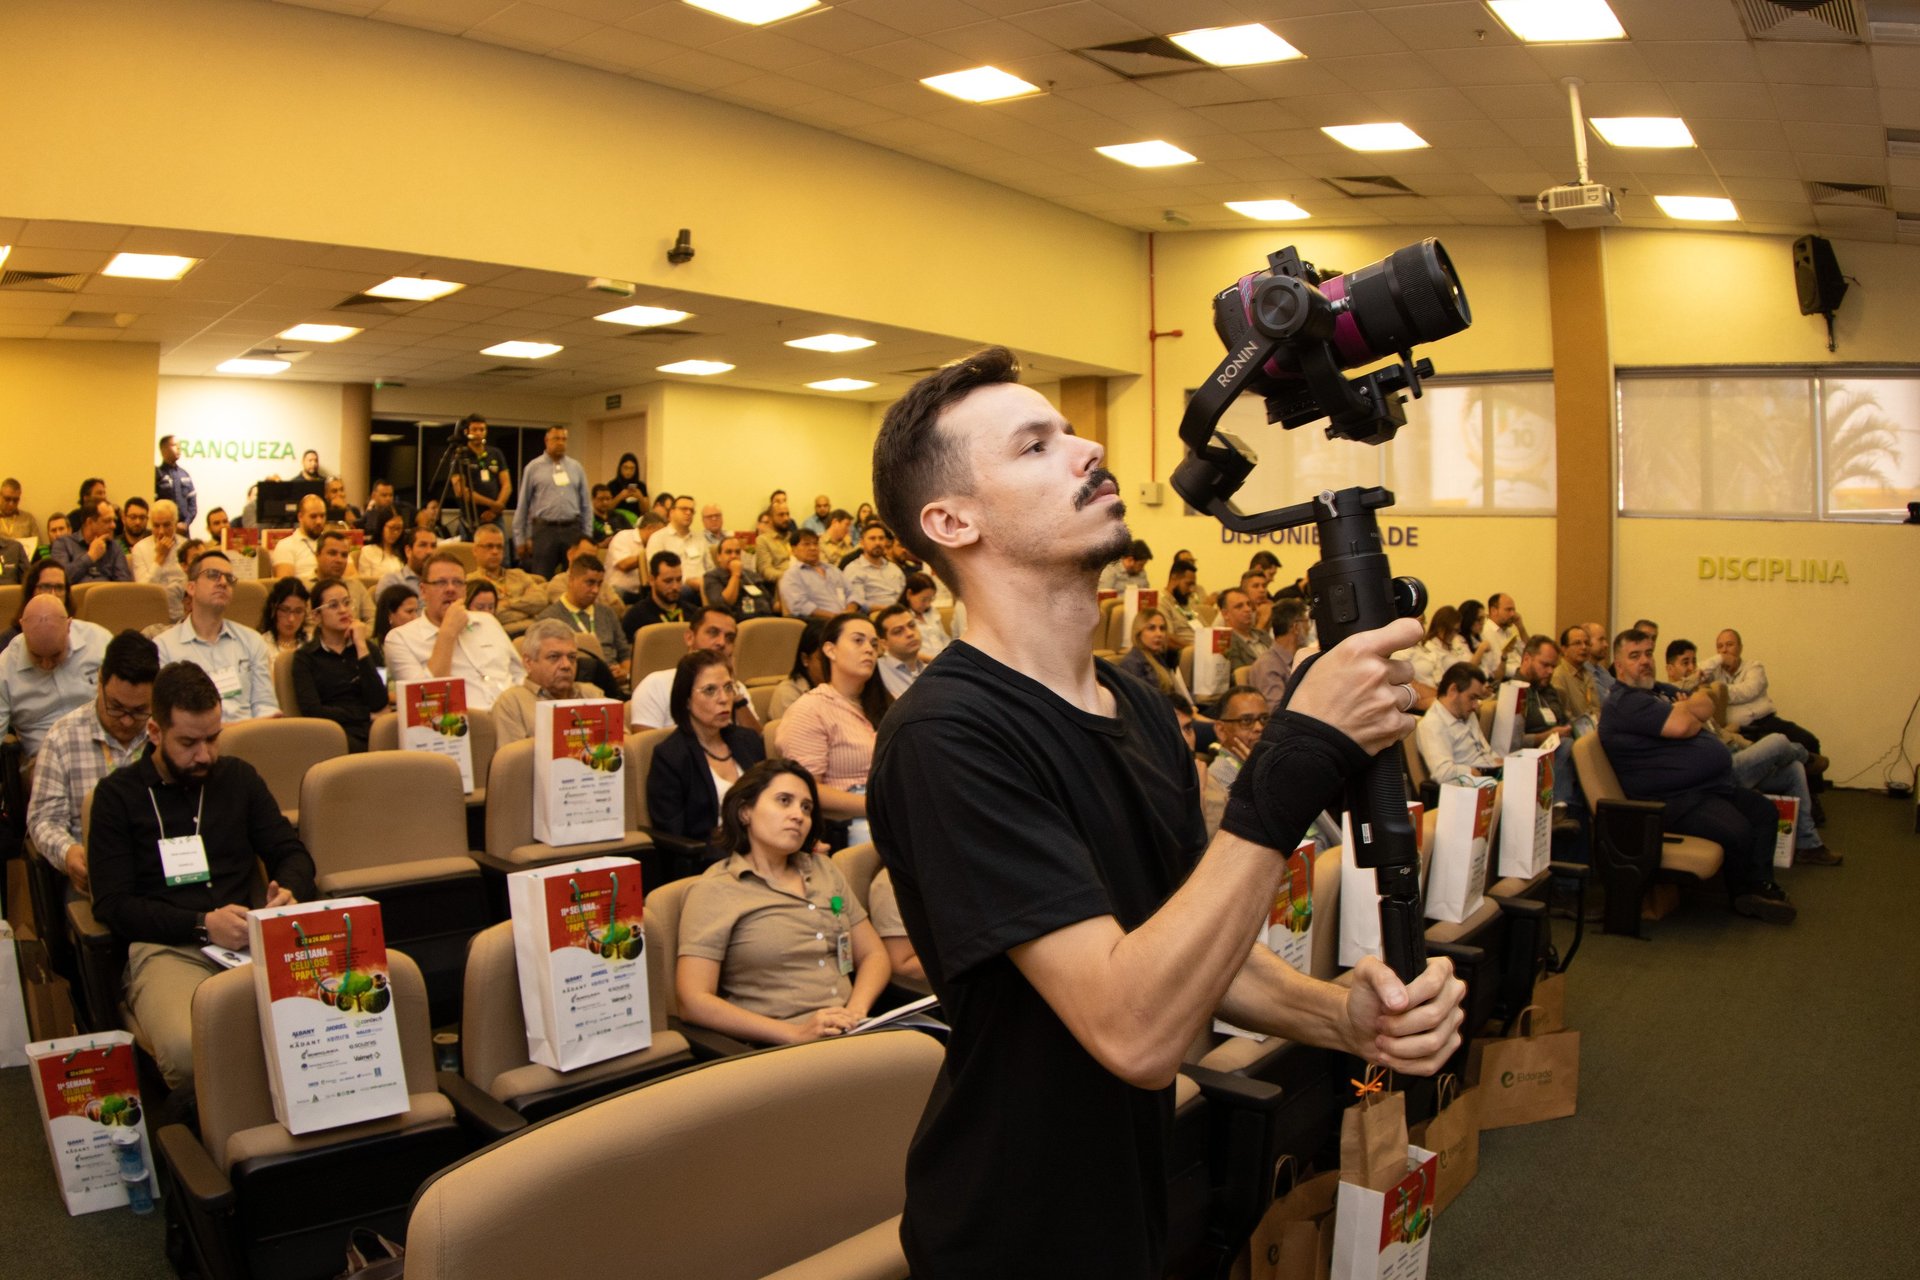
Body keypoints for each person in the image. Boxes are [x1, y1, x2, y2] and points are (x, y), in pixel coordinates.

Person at [865, 348, 1462, 1279]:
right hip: (1015, 1226)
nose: (1087, 447)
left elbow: (1187, 940)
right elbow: (1136, 1029)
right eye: (1035, 446)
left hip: (1135, 1187)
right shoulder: (947, 737)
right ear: (952, 521)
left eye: (1069, 430)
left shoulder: (1132, 698)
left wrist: (1341, 1017)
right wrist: (1289, 764)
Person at [87, 662, 315, 1089]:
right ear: (154, 733)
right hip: (168, 947)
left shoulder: (238, 779)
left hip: (250, 940)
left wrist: (289, 890)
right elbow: (113, 905)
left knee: (322, 1022)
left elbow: (292, 853)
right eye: (188, 742)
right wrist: (201, 924)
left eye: (213, 738)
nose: (205, 755)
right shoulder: (118, 798)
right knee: (192, 1050)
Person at [675, 759, 889, 1044]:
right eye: (784, 801)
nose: (798, 815)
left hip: (847, 1033)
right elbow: (692, 1000)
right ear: (745, 812)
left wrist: (855, 1012)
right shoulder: (716, 890)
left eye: (806, 808)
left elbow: (874, 955)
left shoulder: (824, 870)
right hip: (774, 1046)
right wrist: (795, 1034)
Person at [1599, 630, 1797, 923]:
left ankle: (1759, 884)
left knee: (1764, 811)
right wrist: (1684, 712)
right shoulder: (1625, 703)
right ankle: (1744, 894)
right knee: (1739, 830)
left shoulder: (1655, 690)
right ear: (1618, 665)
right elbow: (1682, 727)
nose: (1645, 661)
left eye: (1648, 654)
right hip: (1670, 800)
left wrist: (1685, 708)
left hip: (1707, 787)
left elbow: (1706, 703)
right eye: (1635, 656)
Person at [28, 630, 158, 893]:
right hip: (96, 875)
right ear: (100, 682)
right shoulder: (63, 737)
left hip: (159, 870)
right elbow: (43, 820)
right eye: (117, 706)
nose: (126, 720)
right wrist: (69, 853)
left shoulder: (166, 733)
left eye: (139, 710)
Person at [775, 612, 888, 849]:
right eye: (858, 640)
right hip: (851, 820)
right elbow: (805, 789)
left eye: (874, 643)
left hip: (890, 802)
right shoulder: (810, 709)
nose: (869, 649)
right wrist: (876, 805)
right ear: (830, 650)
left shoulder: (886, 705)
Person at [646, 649, 768, 848]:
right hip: (711, 861)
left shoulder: (748, 740)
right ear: (686, 700)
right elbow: (673, 834)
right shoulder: (670, 757)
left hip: (764, 849)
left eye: (729, 687)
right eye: (710, 690)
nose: (723, 698)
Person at [384, 551, 525, 709]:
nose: (450, 589)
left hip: (512, 720)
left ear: (465, 590)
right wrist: (447, 634)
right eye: (441, 583)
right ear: (423, 591)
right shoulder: (400, 639)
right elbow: (424, 702)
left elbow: (519, 674)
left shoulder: (488, 621)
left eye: (458, 582)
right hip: (461, 728)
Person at [156, 550, 281, 722]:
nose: (223, 582)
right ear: (191, 587)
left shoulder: (252, 641)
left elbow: (265, 706)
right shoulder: (164, 646)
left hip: (248, 743)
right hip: (193, 741)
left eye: (229, 579)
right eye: (213, 575)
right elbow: (167, 717)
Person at [1703, 628, 1825, 789]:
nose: (1725, 650)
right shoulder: (1713, 672)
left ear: (1740, 647)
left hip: (1766, 721)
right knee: (1769, 756)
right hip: (1738, 730)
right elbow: (1694, 674)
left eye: (1729, 645)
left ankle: (1813, 794)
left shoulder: (1754, 666)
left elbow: (1749, 691)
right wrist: (1718, 659)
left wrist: (1720, 692)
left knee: (1809, 740)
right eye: (1720, 647)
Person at [0, 595, 113, 764]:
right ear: (22, 627)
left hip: (103, 744)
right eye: (37, 656)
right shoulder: (5, 665)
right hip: (43, 756)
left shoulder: (100, 642)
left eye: (55, 655)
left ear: (68, 626)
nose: (47, 665)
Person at [292, 578, 387, 751]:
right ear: (316, 616)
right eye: (333, 605)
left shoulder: (368, 649)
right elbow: (313, 711)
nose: (343, 610)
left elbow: (380, 701)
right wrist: (366, 714)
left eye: (347, 603)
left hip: (374, 729)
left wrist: (361, 647)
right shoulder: (305, 658)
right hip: (334, 733)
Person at [627, 606, 756, 732]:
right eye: (713, 632)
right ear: (689, 637)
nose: (722, 643)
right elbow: (646, 750)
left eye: (730, 638)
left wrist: (736, 694)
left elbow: (756, 745)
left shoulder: (736, 688)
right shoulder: (655, 685)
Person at [491, 619, 607, 747]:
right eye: (554, 657)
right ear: (528, 662)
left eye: (572, 657)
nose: (566, 665)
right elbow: (513, 762)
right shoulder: (512, 702)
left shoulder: (591, 694)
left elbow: (622, 746)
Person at [540, 553, 630, 692]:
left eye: (599, 584)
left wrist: (625, 672)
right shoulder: (549, 619)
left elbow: (624, 653)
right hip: (573, 686)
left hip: (614, 685)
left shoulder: (607, 613)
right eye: (590, 582)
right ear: (571, 580)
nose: (595, 590)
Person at [516, 425, 590, 577]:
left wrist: (587, 536)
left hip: (572, 529)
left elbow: (586, 505)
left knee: (574, 575)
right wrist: (520, 538)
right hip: (544, 531)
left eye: (564, 439)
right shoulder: (533, 467)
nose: (560, 443)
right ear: (546, 440)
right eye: (556, 438)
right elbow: (523, 505)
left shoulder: (576, 468)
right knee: (541, 577)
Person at [1415, 663, 1500, 784]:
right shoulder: (1432, 724)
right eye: (1472, 697)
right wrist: (1473, 771)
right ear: (1453, 690)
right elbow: (1442, 773)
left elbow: (1485, 751)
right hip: (1469, 787)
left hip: (1491, 776)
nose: (1476, 705)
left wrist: (1501, 763)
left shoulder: (1467, 713)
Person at [466, 522, 549, 630]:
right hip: (502, 634)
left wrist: (507, 603)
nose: (495, 552)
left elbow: (541, 601)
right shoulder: (471, 582)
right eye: (489, 546)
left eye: (499, 547)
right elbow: (490, 616)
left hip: (534, 631)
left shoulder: (518, 575)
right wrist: (527, 610)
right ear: (475, 550)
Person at [447, 413, 512, 536]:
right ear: (466, 432)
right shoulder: (460, 455)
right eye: (475, 429)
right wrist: (492, 504)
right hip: (470, 518)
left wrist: (494, 510)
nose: (478, 433)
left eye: (482, 429)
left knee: (500, 553)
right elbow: (461, 491)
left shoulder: (495, 453)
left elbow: (507, 485)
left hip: (495, 518)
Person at [1116, 607, 1195, 707]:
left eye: (1162, 628)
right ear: (1138, 633)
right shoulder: (1132, 663)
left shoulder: (1157, 657)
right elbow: (1145, 705)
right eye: (1151, 628)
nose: (1159, 634)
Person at [1249, 598, 1311, 710]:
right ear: (1296, 627)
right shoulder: (1268, 665)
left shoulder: (1298, 658)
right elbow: (1276, 711)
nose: (1309, 628)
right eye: (1307, 622)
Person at [776, 529, 852, 621]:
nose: (813, 548)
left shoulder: (833, 570)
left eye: (815, 544)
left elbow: (852, 593)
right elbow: (800, 606)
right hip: (818, 623)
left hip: (846, 618)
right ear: (793, 550)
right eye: (806, 544)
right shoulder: (792, 575)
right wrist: (835, 617)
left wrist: (849, 611)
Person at [1205, 685, 1270, 793]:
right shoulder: (1217, 777)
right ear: (1221, 730)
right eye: (1246, 721)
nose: (1259, 727)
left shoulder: (1270, 760)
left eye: (1264, 718)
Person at [52, 497, 133, 584]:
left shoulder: (115, 547)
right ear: (89, 522)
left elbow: (124, 585)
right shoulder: (63, 544)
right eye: (107, 521)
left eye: (114, 520)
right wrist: (90, 557)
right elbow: (59, 580)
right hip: (75, 596)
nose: (113, 526)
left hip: (108, 595)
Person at [622, 550, 698, 636]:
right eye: (668, 581)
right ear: (651, 580)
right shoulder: (636, 618)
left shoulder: (693, 614)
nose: (675, 587)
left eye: (679, 580)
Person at [2, 559, 70, 651]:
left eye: (59, 587)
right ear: (31, 592)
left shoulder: (82, 635)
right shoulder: (7, 642)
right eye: (46, 587)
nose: (53, 594)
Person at [311, 530, 374, 626]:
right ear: (317, 556)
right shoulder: (303, 587)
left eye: (344, 555)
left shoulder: (356, 586)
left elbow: (374, 620)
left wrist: (355, 635)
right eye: (332, 553)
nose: (339, 560)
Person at [704, 536, 775, 620]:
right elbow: (723, 604)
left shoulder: (751, 575)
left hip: (766, 619)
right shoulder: (712, 577)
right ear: (719, 557)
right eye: (728, 552)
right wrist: (735, 574)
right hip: (739, 624)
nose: (734, 556)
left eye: (737, 552)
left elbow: (770, 602)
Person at [647, 493, 715, 580]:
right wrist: (687, 583)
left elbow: (710, 569)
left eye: (691, 510)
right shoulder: (658, 538)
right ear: (671, 512)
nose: (688, 513)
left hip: (703, 586)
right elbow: (656, 573)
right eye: (684, 509)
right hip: (675, 588)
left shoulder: (700, 538)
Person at [768, 619, 825, 722]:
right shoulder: (787, 694)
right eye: (823, 659)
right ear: (805, 659)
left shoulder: (844, 690)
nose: (830, 665)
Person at [844, 521, 906, 612]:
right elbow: (859, 603)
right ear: (862, 542)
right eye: (872, 539)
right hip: (874, 615)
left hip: (902, 612)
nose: (877, 543)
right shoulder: (854, 569)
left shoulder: (894, 569)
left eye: (881, 538)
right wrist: (890, 609)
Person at [1551, 624, 1601, 735]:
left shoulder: (1587, 674)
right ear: (1564, 649)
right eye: (1577, 643)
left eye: (1587, 643)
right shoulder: (1558, 676)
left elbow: (1596, 708)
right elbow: (1565, 716)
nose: (1584, 647)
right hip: (1576, 734)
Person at [872, 603, 927, 698]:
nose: (910, 633)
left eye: (912, 625)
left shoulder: (930, 669)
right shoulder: (875, 671)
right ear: (884, 643)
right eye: (898, 631)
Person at [1409, 606, 1472, 689]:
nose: (1455, 634)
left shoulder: (1455, 642)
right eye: (1454, 630)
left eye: (1423, 623)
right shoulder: (1430, 647)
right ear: (1441, 628)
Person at [129, 499, 185, 590]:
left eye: (166, 525)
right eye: (156, 526)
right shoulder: (140, 549)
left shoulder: (186, 545)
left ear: (175, 524)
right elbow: (142, 589)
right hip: (153, 601)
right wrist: (160, 558)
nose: (161, 531)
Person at [270, 494, 327, 584]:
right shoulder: (285, 546)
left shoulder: (333, 544)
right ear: (300, 517)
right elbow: (286, 588)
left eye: (322, 516)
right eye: (313, 516)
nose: (319, 521)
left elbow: (352, 579)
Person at [1216, 586, 1272, 672]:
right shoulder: (1224, 641)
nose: (1248, 609)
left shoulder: (1262, 634)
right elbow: (1237, 676)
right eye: (1239, 606)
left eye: (1248, 604)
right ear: (1225, 614)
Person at [377, 526, 436, 600]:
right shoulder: (392, 582)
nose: (429, 551)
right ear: (408, 551)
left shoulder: (443, 582)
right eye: (423, 545)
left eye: (433, 546)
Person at [370, 584, 420, 670]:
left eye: (416, 611)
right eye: (409, 611)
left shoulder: (419, 643)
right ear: (389, 614)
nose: (416, 617)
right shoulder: (373, 649)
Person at [900, 573, 949, 658]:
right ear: (909, 594)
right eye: (924, 600)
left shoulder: (932, 612)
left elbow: (945, 639)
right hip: (923, 664)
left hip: (944, 660)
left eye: (930, 599)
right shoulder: (899, 617)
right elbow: (903, 651)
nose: (927, 604)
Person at [1480, 593, 1528, 680]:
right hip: (1507, 679)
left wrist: (1521, 628)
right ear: (1494, 610)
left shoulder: (1507, 631)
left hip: (1521, 675)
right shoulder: (1485, 632)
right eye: (1508, 610)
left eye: (1514, 610)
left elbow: (1528, 653)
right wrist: (1520, 671)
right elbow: (1494, 667)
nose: (1513, 614)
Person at [258, 577, 311, 654]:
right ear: (273, 609)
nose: (291, 619)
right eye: (284, 610)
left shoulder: (313, 643)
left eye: (298, 611)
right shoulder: (260, 646)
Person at [359, 509, 407, 585]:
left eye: (398, 529)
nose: (395, 532)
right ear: (381, 527)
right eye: (391, 528)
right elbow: (365, 582)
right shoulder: (368, 551)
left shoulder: (403, 551)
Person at [753, 501, 794, 584]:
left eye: (787, 514)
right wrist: (791, 577)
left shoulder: (794, 537)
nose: (786, 518)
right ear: (770, 519)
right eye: (781, 515)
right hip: (781, 586)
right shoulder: (763, 540)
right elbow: (766, 572)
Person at [607, 453, 647, 525]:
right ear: (620, 468)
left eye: (632, 468)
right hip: (616, 521)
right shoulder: (612, 485)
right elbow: (607, 508)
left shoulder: (641, 486)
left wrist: (640, 497)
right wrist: (620, 497)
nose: (628, 472)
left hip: (635, 522)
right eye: (626, 468)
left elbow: (645, 511)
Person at [0, 477, 40, 544]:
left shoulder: (28, 519)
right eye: (7, 499)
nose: (11, 504)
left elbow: (37, 545)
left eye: (15, 500)